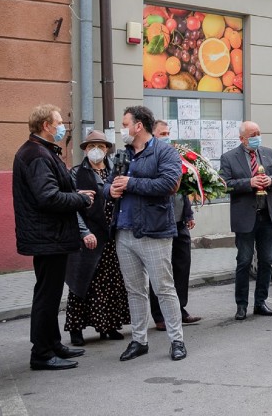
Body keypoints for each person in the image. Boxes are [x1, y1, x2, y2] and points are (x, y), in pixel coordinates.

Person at [13, 104, 94, 370]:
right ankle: (42, 353)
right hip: (48, 237)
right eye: (59, 122)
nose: (62, 127)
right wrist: (79, 199)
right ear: (46, 126)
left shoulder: (41, 151)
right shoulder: (37, 154)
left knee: (49, 292)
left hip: (50, 235)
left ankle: (53, 343)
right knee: (47, 296)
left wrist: (75, 196)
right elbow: (47, 197)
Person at [106, 106, 186, 362]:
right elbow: (110, 181)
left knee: (163, 288)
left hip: (154, 231)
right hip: (124, 231)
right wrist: (111, 190)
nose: (123, 129)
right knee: (135, 290)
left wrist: (131, 184)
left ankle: (177, 341)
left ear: (138, 126)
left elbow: (168, 185)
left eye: (125, 123)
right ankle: (139, 340)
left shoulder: (165, 151)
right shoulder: (123, 154)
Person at [65, 130, 131, 346]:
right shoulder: (76, 173)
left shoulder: (115, 171)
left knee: (111, 281)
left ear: (107, 149)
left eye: (101, 146)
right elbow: (73, 207)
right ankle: (76, 329)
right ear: (85, 149)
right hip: (89, 236)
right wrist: (84, 232)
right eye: (92, 146)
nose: (97, 150)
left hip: (112, 234)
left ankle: (109, 325)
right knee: (83, 281)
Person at [219, 121, 272, 320]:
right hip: (245, 218)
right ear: (242, 138)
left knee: (266, 261)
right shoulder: (229, 158)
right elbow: (224, 185)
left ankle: (260, 302)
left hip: (267, 216)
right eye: (253, 134)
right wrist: (249, 183)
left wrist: (271, 180)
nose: (257, 136)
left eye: (259, 132)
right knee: (244, 261)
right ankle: (241, 305)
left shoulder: (268, 153)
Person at [149, 120, 201, 330]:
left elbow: (184, 188)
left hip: (179, 221)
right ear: (152, 135)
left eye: (168, 132)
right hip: (161, 223)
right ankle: (160, 315)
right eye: (163, 133)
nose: (167, 136)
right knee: (161, 271)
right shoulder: (150, 157)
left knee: (182, 267)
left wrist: (188, 213)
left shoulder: (173, 155)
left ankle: (180, 309)